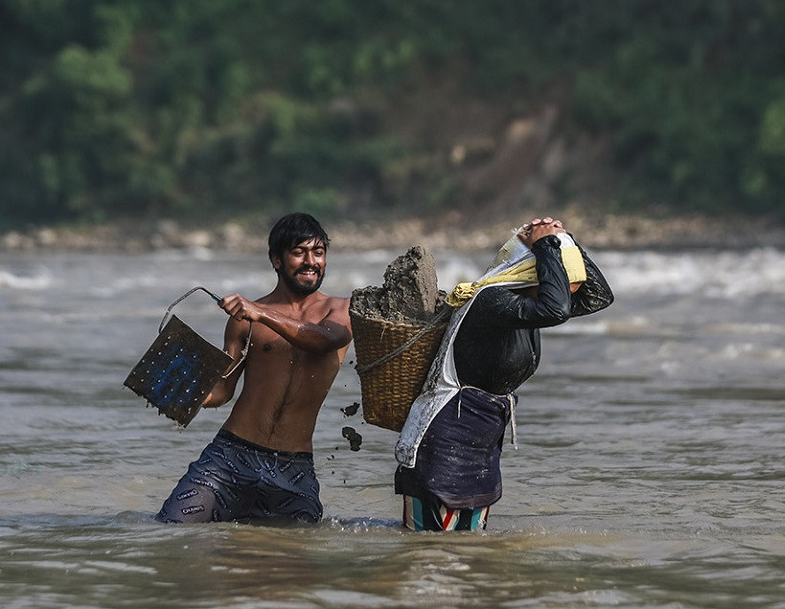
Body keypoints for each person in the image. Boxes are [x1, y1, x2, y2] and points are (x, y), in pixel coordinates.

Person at [394, 216, 614, 531]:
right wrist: (546, 246)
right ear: (531, 272)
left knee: (471, 551)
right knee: (428, 553)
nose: (565, 293)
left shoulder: (526, 304)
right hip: (445, 441)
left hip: (481, 443)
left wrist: (564, 238)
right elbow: (557, 309)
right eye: (559, 282)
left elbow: (598, 297)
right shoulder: (493, 300)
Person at [155, 213, 352, 524]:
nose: (311, 261)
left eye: (318, 252)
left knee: (294, 558)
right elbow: (222, 390)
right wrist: (172, 383)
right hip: (229, 457)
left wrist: (260, 312)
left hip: (294, 467)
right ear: (276, 260)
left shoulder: (339, 310)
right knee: (170, 527)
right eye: (299, 252)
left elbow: (322, 341)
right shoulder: (243, 318)